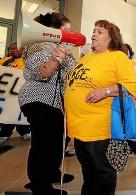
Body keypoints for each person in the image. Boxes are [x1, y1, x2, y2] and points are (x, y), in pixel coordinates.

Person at [64, 20, 136, 195]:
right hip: (79, 127)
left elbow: (130, 86)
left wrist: (105, 91)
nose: (93, 34)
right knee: (88, 172)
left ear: (111, 38)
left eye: (100, 32)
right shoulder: (87, 57)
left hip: (99, 128)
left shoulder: (118, 57)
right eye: (94, 31)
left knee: (103, 173)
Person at [18, 12, 75, 195]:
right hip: (38, 99)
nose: (69, 33)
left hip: (54, 102)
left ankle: (50, 173)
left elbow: (70, 71)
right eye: (66, 29)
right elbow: (42, 73)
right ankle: (39, 185)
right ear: (53, 30)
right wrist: (56, 59)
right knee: (44, 143)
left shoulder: (60, 47)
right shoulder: (40, 44)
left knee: (58, 139)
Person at [0, 43, 31, 145]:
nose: (15, 50)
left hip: (20, 92)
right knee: (7, 113)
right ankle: (5, 133)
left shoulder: (27, 61)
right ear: (9, 50)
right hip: (5, 94)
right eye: (12, 48)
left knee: (19, 112)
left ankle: (24, 131)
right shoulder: (3, 61)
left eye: (17, 48)